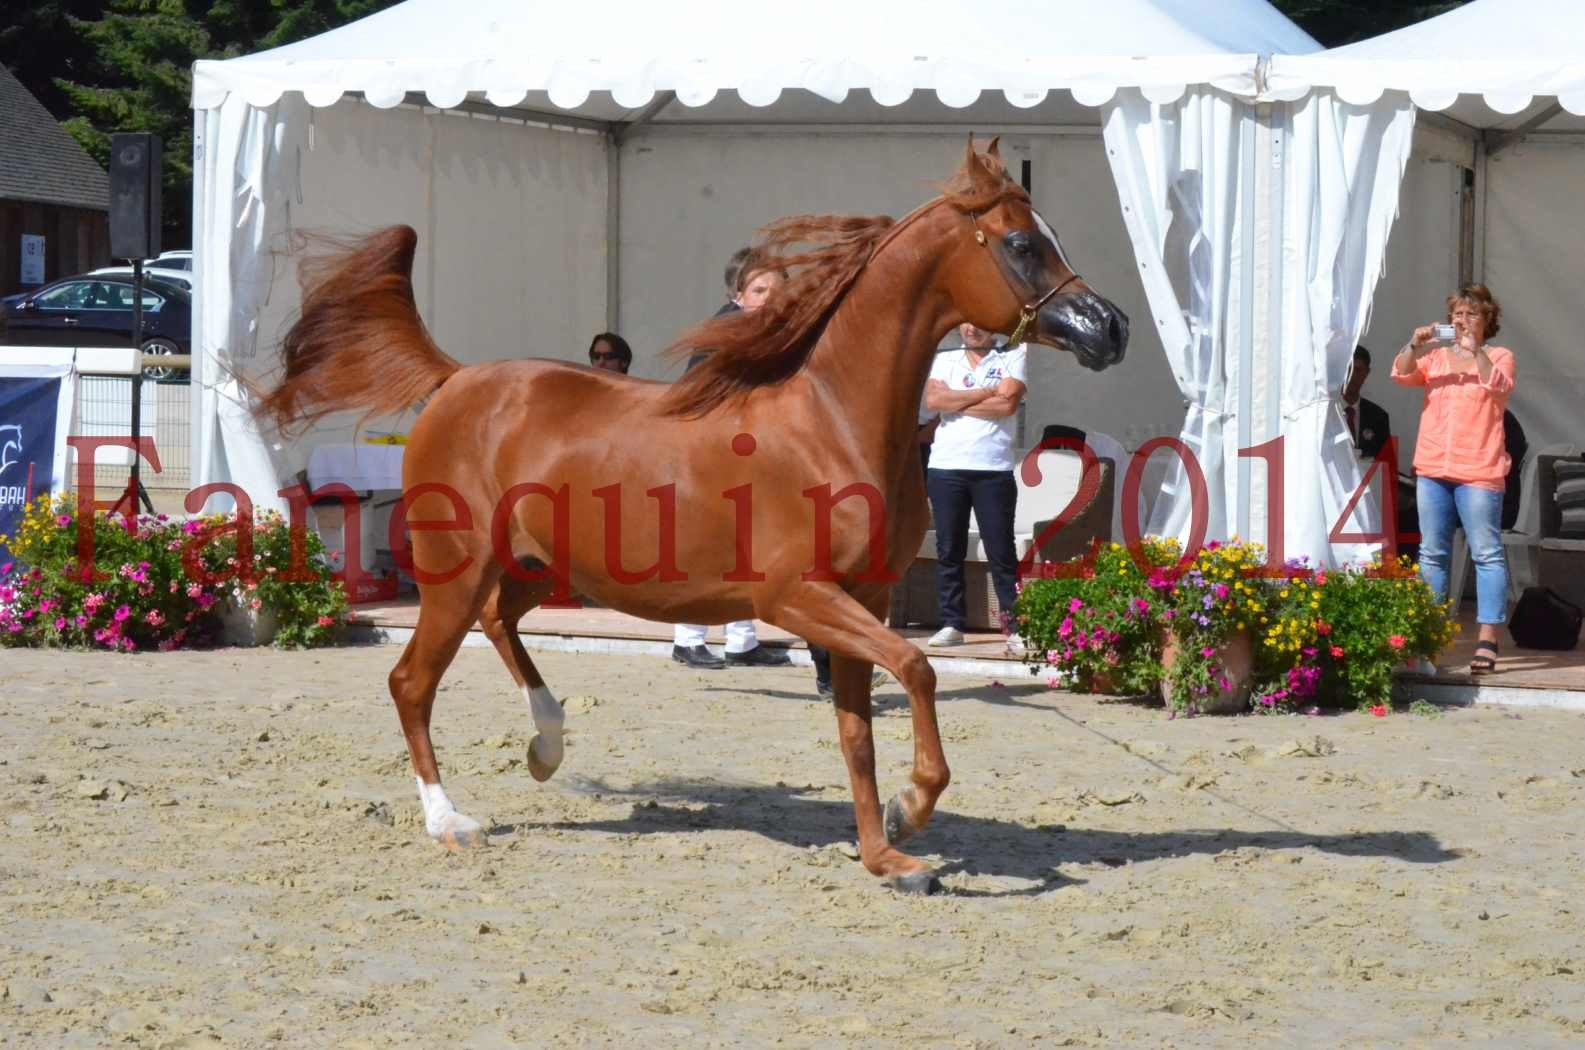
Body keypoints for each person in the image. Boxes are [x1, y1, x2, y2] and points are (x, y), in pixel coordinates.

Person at [672, 251, 792, 670]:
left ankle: (741, 641)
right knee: (711, 548)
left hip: (751, 453)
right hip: (715, 451)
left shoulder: (772, 332)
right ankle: (688, 637)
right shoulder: (725, 331)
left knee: (747, 550)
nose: (772, 299)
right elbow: (703, 392)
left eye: (780, 290)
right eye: (761, 290)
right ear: (738, 294)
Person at [1393, 283, 1516, 675]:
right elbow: (1401, 373)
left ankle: (1487, 640)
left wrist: (1474, 349)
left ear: (1487, 322)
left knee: (1486, 554)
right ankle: (1429, 640)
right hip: (1433, 469)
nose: (1462, 321)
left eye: (1472, 315)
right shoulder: (1437, 359)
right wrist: (1414, 344)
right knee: (1432, 554)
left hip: (1478, 471)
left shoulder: (1499, 356)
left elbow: (1496, 385)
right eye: (1457, 314)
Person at [923, 322, 1027, 650]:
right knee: (948, 549)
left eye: (980, 323)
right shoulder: (946, 357)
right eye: (966, 322)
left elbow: (1007, 404)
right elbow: (934, 399)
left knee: (1001, 550)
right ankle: (952, 623)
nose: (972, 329)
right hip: (945, 466)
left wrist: (957, 401)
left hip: (992, 469)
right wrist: (986, 392)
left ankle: (1014, 627)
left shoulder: (1012, 353)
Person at [1342, 345, 1391, 461]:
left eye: (1357, 370)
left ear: (1366, 373)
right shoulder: (1324, 412)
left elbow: (1385, 464)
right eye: (1348, 369)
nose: (1351, 376)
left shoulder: (1379, 417)